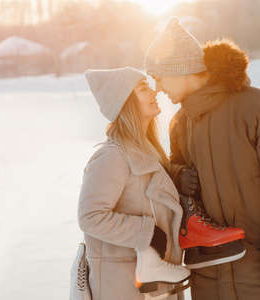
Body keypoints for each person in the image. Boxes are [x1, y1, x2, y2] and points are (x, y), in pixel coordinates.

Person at [144, 17, 260, 300]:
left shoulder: (259, 109)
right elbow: (175, 189)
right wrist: (177, 175)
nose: (158, 87)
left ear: (182, 70)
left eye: (159, 76)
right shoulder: (180, 123)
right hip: (208, 278)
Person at [78, 66, 190, 300]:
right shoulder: (112, 156)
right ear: (125, 102)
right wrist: (147, 233)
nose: (154, 92)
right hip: (121, 287)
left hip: (156, 286)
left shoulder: (150, 152)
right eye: (143, 88)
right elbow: (90, 216)